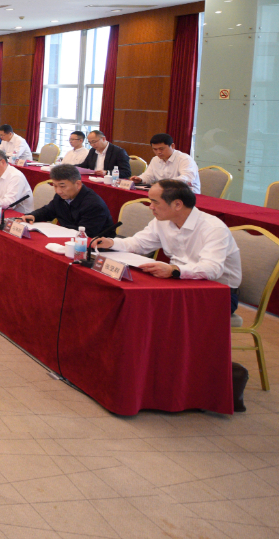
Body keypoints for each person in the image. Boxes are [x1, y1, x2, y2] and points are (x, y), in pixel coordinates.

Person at [91, 179, 248, 411]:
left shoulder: (212, 228)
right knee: (139, 310)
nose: (150, 206)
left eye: (155, 202)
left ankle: (200, 381)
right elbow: (139, 243)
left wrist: (175, 270)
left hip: (217, 294)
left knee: (159, 317)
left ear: (177, 204)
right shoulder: (162, 221)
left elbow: (212, 269)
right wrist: (111, 242)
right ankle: (148, 376)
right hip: (178, 284)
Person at [21, 164, 114, 236]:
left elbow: (85, 233)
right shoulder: (61, 196)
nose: (58, 191)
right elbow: (48, 211)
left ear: (78, 184)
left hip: (96, 248)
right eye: (55, 186)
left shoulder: (94, 204)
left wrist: (55, 229)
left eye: (62, 186)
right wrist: (33, 216)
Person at [134, 133, 201, 193]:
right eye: (155, 149)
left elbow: (187, 178)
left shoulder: (185, 159)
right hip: (165, 192)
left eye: (161, 149)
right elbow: (149, 176)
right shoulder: (155, 159)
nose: (158, 152)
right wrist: (140, 179)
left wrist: (166, 183)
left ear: (172, 146)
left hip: (187, 194)